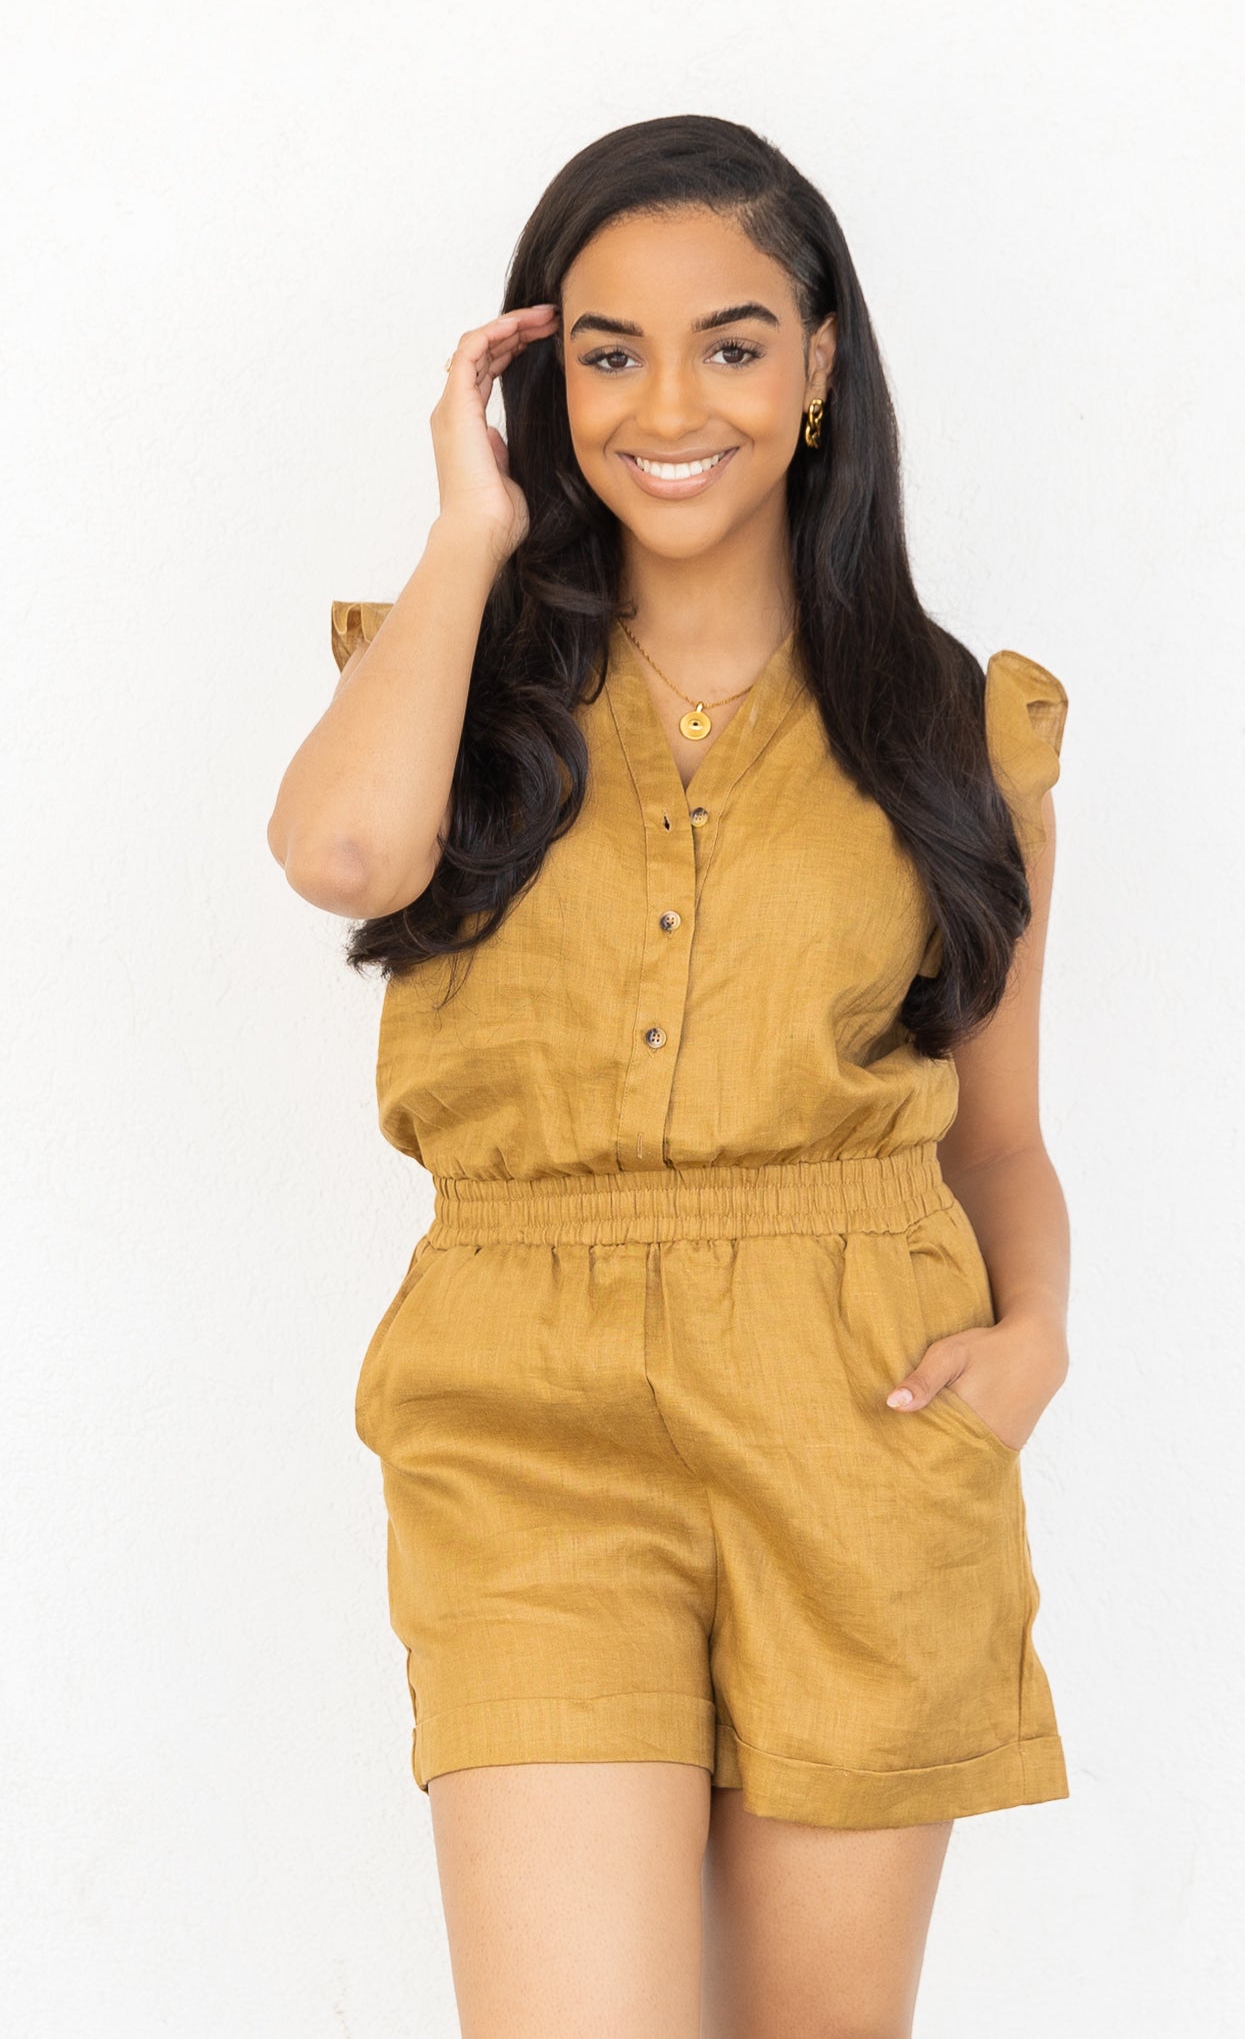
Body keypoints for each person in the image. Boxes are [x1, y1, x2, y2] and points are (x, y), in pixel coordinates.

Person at [268, 113, 1072, 2039]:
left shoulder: (959, 733)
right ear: (545, 382)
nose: (670, 406)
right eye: (610, 354)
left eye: (731, 342)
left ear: (819, 365)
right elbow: (343, 856)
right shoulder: (455, 682)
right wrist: (470, 532)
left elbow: (1001, 1136)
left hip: (859, 1400)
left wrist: (1035, 1336)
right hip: (522, 1413)